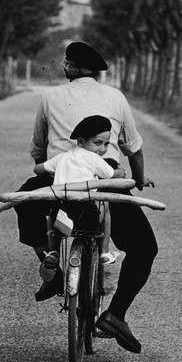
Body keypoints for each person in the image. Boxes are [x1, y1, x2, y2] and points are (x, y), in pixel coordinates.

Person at [15, 41, 158, 354]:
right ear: (96, 72)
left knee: (24, 205)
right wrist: (138, 178)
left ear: (69, 67)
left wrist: (51, 165)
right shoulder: (115, 97)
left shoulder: (51, 97)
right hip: (104, 185)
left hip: (60, 183)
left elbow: (38, 149)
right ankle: (116, 315)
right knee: (145, 248)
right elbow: (133, 147)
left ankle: (51, 267)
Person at [33, 115, 125, 279]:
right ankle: (104, 251)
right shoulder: (94, 159)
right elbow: (110, 175)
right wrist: (121, 172)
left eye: (106, 144)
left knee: (52, 215)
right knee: (105, 204)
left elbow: (38, 169)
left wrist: (52, 169)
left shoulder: (63, 157)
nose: (102, 149)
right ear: (81, 141)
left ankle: (53, 251)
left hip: (62, 210)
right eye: (98, 143)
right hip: (87, 210)